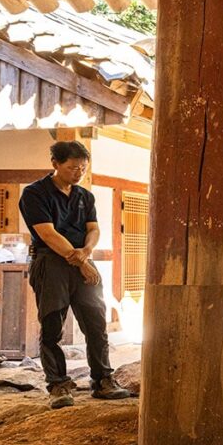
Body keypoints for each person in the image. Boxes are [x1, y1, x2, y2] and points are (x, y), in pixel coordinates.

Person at [19, 141, 130, 409]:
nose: (77, 172)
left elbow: (93, 228)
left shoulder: (84, 196)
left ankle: (102, 379)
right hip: (51, 261)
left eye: (82, 168)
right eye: (71, 167)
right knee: (52, 324)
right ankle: (58, 384)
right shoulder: (35, 193)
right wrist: (80, 262)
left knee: (96, 323)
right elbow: (47, 233)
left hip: (83, 258)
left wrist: (87, 251)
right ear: (55, 164)